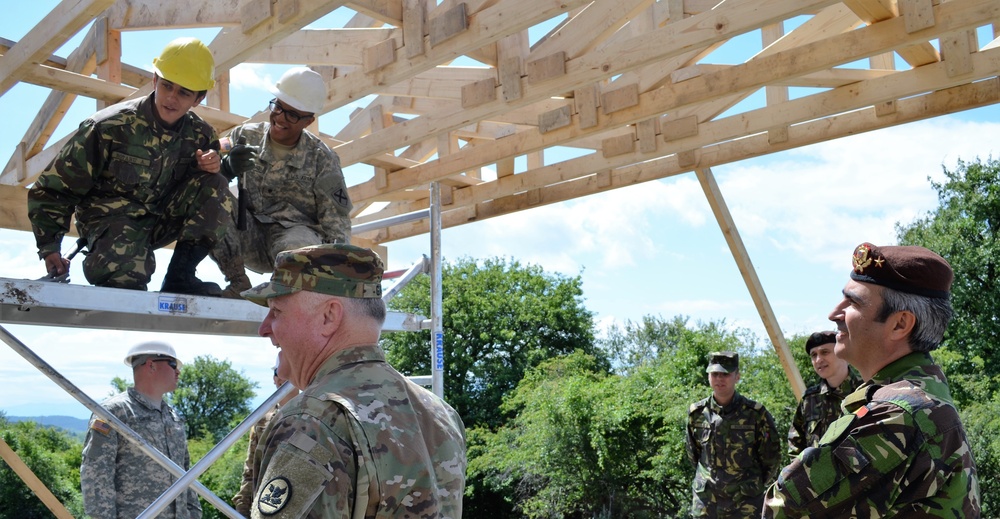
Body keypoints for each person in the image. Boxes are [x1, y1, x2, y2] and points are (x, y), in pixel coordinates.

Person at [241, 243, 466, 517]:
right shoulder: (439, 412)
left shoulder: (313, 420)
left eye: (276, 312)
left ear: (329, 316)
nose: (264, 329)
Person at [763, 242, 981, 517]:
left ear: (900, 324)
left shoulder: (897, 415)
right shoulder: (920, 392)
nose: (834, 314)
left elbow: (783, 510)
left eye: (853, 302)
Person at [27, 37, 232, 296]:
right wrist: (49, 247)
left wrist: (215, 167)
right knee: (127, 280)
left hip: (158, 221)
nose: (171, 97)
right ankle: (117, 263)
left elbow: (203, 195)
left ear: (198, 98)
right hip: (109, 222)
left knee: (216, 185)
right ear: (155, 81)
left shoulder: (201, 134)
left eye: (184, 92)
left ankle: (180, 277)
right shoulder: (107, 126)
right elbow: (55, 188)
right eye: (167, 85)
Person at [211, 67, 353, 298]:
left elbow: (337, 223)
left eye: (292, 115)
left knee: (299, 247)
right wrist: (224, 168)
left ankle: (289, 294)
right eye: (278, 107)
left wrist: (340, 282)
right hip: (249, 236)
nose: (279, 117)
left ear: (308, 121)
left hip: (295, 241)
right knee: (208, 197)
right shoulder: (243, 137)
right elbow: (207, 159)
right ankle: (238, 283)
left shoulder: (322, 159)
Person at [80, 341, 201, 519]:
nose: (178, 372)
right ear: (151, 365)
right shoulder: (115, 413)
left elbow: (186, 473)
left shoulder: (172, 415)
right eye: (173, 364)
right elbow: (96, 472)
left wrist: (194, 514)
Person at [686, 351, 781, 518]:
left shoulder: (755, 414)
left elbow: (771, 457)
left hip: (745, 502)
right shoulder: (697, 414)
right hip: (707, 502)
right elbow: (693, 453)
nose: (719, 379)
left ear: (737, 376)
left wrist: (753, 483)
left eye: (725, 374)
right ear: (708, 376)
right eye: (714, 374)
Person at [232, 352, 299, 516]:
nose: (282, 376)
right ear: (274, 378)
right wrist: (242, 508)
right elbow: (250, 471)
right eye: (277, 372)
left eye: (288, 370)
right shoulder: (262, 420)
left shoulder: (315, 415)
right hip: (266, 506)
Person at [786, 330, 863, 457]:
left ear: (842, 353)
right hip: (818, 475)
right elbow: (795, 443)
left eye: (825, 352)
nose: (818, 360)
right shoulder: (809, 399)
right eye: (813, 355)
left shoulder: (867, 390)